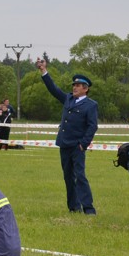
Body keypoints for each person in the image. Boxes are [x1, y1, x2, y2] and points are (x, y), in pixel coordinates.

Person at [35, 57, 99, 215]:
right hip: (64, 144)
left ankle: (89, 208)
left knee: (80, 176)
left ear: (86, 88)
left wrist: (83, 144)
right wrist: (44, 71)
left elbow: (92, 126)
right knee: (68, 177)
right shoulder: (68, 99)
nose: (74, 88)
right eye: (74, 85)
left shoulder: (91, 105)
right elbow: (53, 89)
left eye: (78, 85)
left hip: (77, 146)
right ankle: (73, 207)